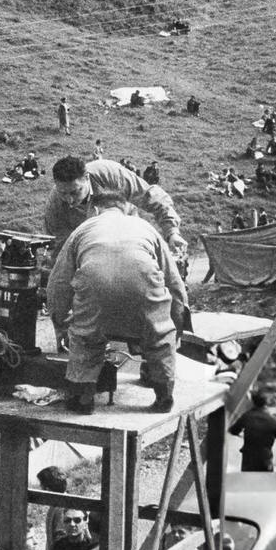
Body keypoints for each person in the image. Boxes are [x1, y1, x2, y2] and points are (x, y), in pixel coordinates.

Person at [47, 192, 188, 414]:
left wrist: (60, 322)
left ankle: (84, 398)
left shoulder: (83, 229)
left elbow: (59, 282)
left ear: (95, 210)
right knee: (159, 337)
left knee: (86, 337)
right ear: (127, 209)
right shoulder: (145, 227)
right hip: (144, 285)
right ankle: (164, 395)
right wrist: (177, 323)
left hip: (95, 286)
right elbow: (174, 281)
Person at [44, 156, 186, 256]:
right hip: (88, 242)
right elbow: (60, 246)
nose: (69, 199)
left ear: (86, 178)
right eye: (63, 193)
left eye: (75, 192)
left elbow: (150, 196)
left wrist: (172, 232)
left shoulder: (111, 174)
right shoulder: (55, 205)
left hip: (126, 228)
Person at [227, 390, 276, 472]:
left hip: (249, 457)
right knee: (265, 481)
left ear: (253, 403)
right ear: (266, 404)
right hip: (265, 457)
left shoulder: (246, 416)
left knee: (247, 481)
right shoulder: (273, 419)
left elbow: (233, 431)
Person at [36, 466, 70, 550]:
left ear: (47, 489)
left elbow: (61, 541)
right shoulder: (57, 504)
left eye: (41, 485)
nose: (40, 488)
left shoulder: (61, 508)